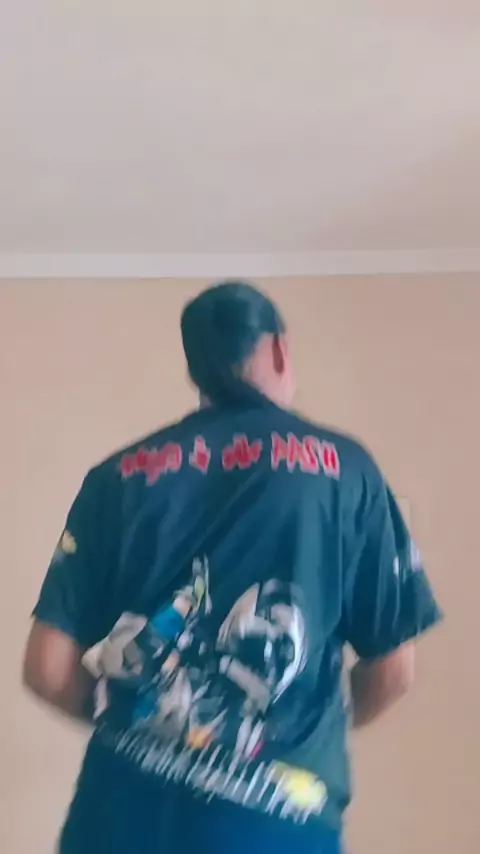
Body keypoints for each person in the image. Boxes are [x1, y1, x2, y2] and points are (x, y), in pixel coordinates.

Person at [24, 281, 442, 854]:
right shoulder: (346, 473)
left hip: (118, 808)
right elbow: (392, 672)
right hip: (275, 818)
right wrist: (312, 732)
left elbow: (47, 668)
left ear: (196, 371)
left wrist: (132, 720)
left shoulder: (115, 478)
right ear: (279, 351)